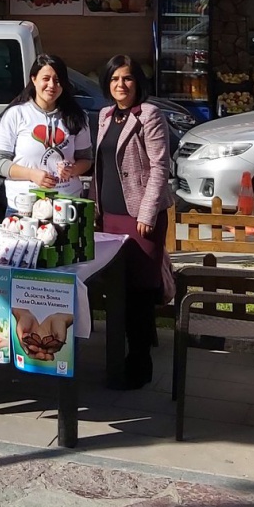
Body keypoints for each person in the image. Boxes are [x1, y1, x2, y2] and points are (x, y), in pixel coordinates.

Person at [93, 56, 174, 389]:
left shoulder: (149, 115)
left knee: (140, 290)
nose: (120, 85)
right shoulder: (105, 115)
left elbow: (159, 166)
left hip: (140, 218)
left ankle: (140, 363)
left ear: (138, 82)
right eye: (114, 79)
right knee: (118, 290)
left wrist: (147, 212)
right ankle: (122, 353)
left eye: (127, 79)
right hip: (110, 215)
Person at [0, 54, 92, 208]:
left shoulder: (77, 117)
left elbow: (86, 160)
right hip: (24, 205)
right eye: (46, 79)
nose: (51, 85)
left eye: (57, 81)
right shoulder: (15, 114)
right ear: (34, 79)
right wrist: (32, 174)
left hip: (65, 205)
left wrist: (72, 170)